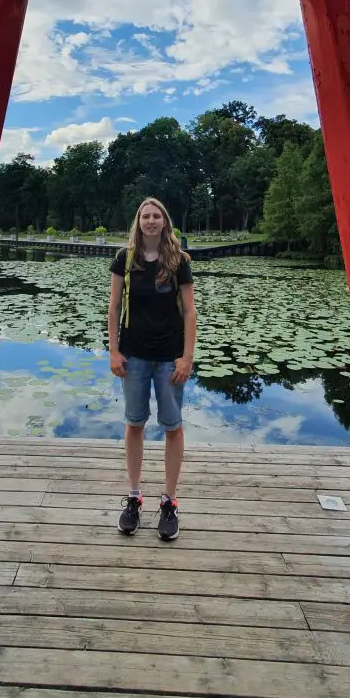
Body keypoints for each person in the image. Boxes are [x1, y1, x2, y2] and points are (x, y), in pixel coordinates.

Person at [108, 196, 196, 541]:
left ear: (165, 221)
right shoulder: (124, 258)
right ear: (138, 221)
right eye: (145, 215)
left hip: (170, 357)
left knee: (172, 427)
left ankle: (169, 502)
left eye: (156, 215)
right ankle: (133, 496)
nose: (151, 221)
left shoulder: (179, 260)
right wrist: (114, 351)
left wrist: (187, 357)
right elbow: (114, 307)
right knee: (134, 424)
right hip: (134, 356)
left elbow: (189, 312)